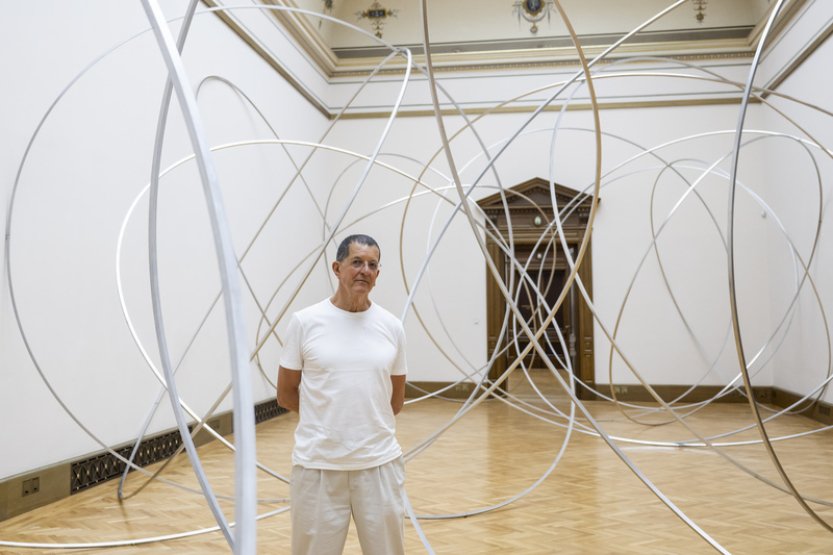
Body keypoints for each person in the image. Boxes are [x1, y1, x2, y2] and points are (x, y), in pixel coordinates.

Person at [277, 234, 408, 555]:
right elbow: (286, 393)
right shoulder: (305, 322)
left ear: (378, 274)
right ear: (337, 268)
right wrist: (327, 424)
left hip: (378, 465)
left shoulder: (392, 327)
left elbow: (396, 399)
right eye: (356, 262)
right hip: (318, 466)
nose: (364, 270)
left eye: (372, 265)